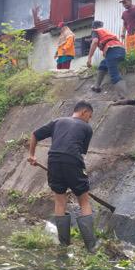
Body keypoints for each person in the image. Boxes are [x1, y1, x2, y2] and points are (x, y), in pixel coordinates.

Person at [28, 101, 99, 253]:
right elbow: (80, 152)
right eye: (90, 116)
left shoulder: (57, 122)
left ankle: (64, 245)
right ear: (84, 112)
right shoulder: (86, 127)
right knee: (84, 201)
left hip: (53, 160)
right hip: (73, 160)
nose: (89, 119)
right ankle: (91, 248)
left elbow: (34, 134)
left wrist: (31, 155)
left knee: (60, 201)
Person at [86, 21, 128, 99]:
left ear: (93, 27)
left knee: (114, 74)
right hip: (121, 50)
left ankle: (123, 97)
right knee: (103, 64)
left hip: (112, 50)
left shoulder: (95, 31)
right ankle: (96, 86)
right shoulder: (105, 31)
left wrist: (89, 58)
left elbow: (94, 42)